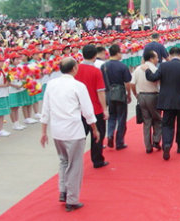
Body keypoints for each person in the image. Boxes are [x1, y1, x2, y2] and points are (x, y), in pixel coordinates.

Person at [40, 57, 99, 212]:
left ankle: (63, 190)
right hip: (73, 131)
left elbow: (45, 108)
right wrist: (94, 128)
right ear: (74, 69)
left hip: (57, 131)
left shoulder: (52, 85)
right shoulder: (78, 85)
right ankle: (72, 199)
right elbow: (87, 110)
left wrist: (44, 131)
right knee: (74, 165)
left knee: (64, 161)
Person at [144, 47, 180, 161]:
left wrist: (147, 70)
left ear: (169, 55)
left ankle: (166, 144)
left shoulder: (164, 66)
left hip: (167, 101)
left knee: (167, 124)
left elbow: (153, 78)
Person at [75, 45, 109, 168]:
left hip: (79, 110)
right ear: (95, 56)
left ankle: (75, 160)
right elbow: (100, 91)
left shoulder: (76, 69)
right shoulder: (96, 71)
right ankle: (97, 160)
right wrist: (105, 109)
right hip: (95, 109)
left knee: (79, 136)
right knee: (97, 135)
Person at [130, 49, 162, 154]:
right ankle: (156, 140)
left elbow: (132, 83)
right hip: (153, 96)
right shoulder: (155, 69)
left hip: (141, 96)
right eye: (156, 57)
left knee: (146, 121)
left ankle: (148, 146)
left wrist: (136, 95)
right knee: (157, 119)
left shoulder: (138, 69)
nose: (158, 59)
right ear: (152, 58)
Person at [102, 44, 132, 150]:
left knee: (112, 116)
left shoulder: (104, 66)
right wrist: (129, 94)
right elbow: (127, 82)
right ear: (118, 53)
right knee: (121, 117)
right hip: (120, 93)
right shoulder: (122, 66)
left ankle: (110, 134)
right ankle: (119, 141)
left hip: (109, 93)